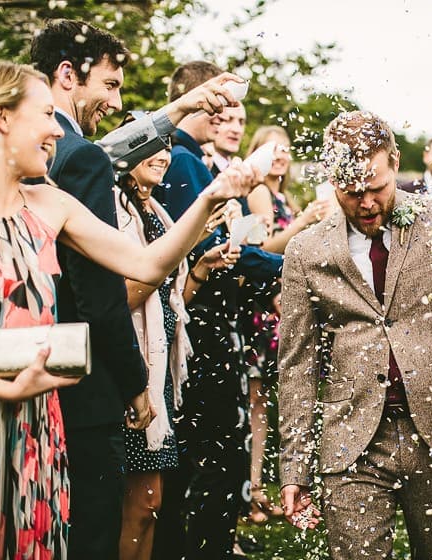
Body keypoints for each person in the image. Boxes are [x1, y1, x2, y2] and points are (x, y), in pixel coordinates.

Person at [0, 59, 259, 560]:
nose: (53, 129)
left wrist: (209, 200)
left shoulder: (48, 203)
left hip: (38, 426)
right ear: (2, 118)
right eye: (44, 114)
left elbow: (147, 265)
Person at [277, 110, 432, 559]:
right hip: (351, 442)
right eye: (350, 191)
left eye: (375, 187)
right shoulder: (305, 250)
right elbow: (297, 364)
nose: (365, 203)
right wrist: (294, 469)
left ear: (395, 161)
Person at [154, 61, 283, 560]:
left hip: (208, 321)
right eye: (223, 106)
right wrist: (286, 263)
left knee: (212, 453)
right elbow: (211, 249)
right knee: (214, 455)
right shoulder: (183, 161)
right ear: (197, 99)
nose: (230, 118)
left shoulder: (192, 160)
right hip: (201, 328)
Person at [112, 116, 241, 560]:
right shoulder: (114, 209)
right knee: (136, 504)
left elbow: (172, 299)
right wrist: (174, 257)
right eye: (150, 145)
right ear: (124, 154)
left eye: (166, 144)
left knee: (153, 504)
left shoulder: (158, 213)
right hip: (130, 367)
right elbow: (128, 294)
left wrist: (200, 268)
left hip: (161, 371)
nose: (164, 154)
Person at [241, 125, 329, 525]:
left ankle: (260, 488)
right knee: (255, 402)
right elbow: (267, 250)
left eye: (285, 149)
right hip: (261, 310)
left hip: (279, 307)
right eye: (271, 149)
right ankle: (253, 491)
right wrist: (308, 218)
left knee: (266, 404)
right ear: (255, 152)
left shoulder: (281, 195)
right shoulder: (259, 191)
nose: (280, 156)